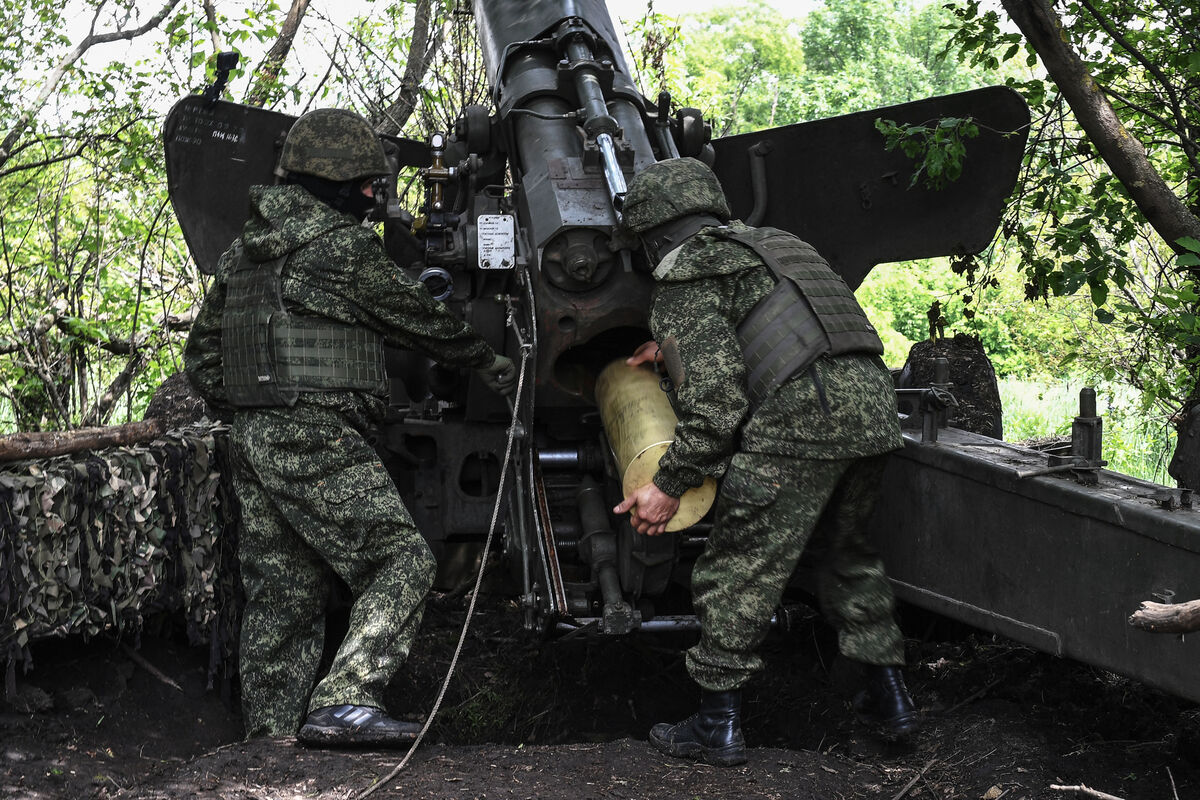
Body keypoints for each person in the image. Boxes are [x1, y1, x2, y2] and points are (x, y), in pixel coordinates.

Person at [184, 108, 515, 747]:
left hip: (254, 440)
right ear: (332, 183)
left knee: (286, 596)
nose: (374, 194)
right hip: (317, 433)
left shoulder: (241, 256)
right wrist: (486, 359)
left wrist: (258, 403)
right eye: (366, 184)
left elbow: (201, 360)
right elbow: (418, 318)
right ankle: (345, 700)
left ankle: (270, 746)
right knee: (401, 560)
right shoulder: (343, 247)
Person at [612, 157, 918, 767]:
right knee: (849, 557)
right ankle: (894, 702)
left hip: (798, 427)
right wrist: (669, 353)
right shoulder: (778, 245)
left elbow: (717, 404)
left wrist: (669, 484)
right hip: (875, 417)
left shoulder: (688, 268)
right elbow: (774, 334)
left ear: (653, 232)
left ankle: (716, 726)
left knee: (738, 570)